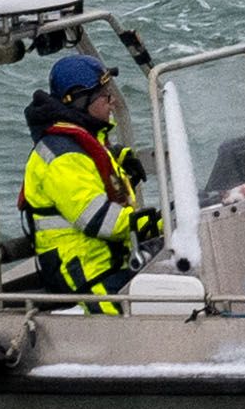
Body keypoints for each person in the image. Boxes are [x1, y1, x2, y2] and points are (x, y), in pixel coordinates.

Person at [8, 50, 160, 307]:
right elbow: (100, 220)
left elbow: (92, 159)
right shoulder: (62, 158)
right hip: (85, 280)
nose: (112, 102)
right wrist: (157, 223)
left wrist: (118, 157)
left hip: (106, 263)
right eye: (104, 96)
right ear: (80, 102)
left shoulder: (79, 141)